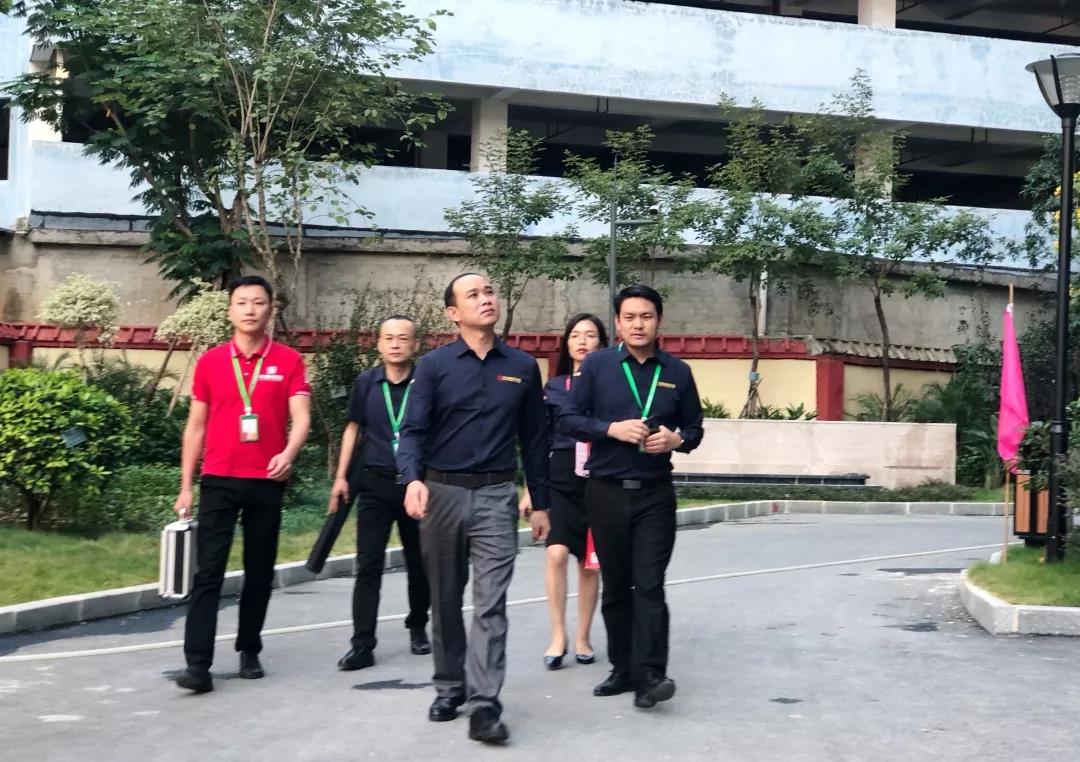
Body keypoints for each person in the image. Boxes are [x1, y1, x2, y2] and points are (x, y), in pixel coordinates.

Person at [397, 272, 551, 745]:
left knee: (491, 604)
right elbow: (413, 430)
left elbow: (535, 440)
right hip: (441, 493)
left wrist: (540, 501)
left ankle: (484, 705)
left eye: (489, 291)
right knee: (444, 599)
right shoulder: (434, 366)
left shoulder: (522, 367)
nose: (486, 299)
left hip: (495, 497)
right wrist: (412, 479)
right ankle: (449, 686)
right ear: (453, 313)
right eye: (473, 295)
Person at [558, 284, 703, 710]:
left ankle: (651, 675)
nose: (639, 325)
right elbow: (569, 419)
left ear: (659, 321)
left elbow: (695, 429)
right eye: (630, 317)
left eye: (647, 317)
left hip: (654, 495)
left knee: (650, 585)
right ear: (618, 323)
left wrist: (677, 439)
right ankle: (622, 668)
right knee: (617, 586)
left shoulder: (677, 372)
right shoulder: (598, 366)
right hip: (605, 492)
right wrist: (611, 429)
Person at [172, 275, 312, 694]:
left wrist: (288, 453)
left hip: (267, 479)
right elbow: (195, 427)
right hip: (218, 478)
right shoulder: (211, 362)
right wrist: (186, 485)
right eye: (242, 302)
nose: (250, 309)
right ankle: (198, 664)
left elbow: (301, 417)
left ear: (271, 309)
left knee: (259, 570)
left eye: (258, 302)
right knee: (208, 573)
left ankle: (249, 648)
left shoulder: (289, 361)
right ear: (230, 310)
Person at [329, 315, 431, 672]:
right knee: (368, 564)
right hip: (374, 482)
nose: (396, 344)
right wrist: (341, 477)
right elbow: (352, 429)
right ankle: (362, 644)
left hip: (415, 484)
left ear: (415, 344)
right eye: (389, 338)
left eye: (403, 338)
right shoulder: (366, 383)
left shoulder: (426, 382)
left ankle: (418, 626)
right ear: (378, 344)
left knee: (419, 562)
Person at [520, 313, 606, 670]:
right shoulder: (554, 387)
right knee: (556, 554)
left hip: (599, 479)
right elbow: (538, 440)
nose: (582, 341)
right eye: (575, 335)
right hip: (559, 477)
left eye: (590, 335)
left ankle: (583, 637)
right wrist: (530, 488)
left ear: (602, 343)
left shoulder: (611, 385)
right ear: (566, 344)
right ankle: (558, 636)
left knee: (589, 564)